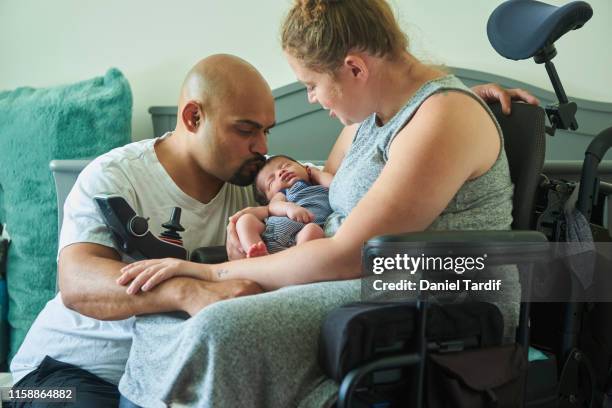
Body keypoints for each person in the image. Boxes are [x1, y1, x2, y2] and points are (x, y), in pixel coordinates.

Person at [115, 1, 540, 407]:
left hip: (435, 294)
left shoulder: (443, 116)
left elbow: (347, 255)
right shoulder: (370, 120)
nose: (312, 100)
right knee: (166, 318)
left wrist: (209, 271)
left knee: (217, 326)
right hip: (353, 274)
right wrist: (258, 215)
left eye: (312, 85)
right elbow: (316, 196)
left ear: (355, 67)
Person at [9, 54, 273, 407]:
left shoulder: (257, 187)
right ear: (193, 117)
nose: (262, 146)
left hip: (160, 380)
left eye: (266, 130)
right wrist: (186, 292)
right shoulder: (115, 176)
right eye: (246, 130)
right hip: (58, 373)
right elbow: (76, 281)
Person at [233, 155, 333, 258]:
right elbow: (273, 206)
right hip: (270, 233)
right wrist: (289, 208)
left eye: (286, 165)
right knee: (245, 220)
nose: (280, 172)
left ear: (305, 168)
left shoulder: (320, 186)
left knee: (313, 230)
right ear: (268, 198)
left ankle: (295, 262)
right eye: (271, 181)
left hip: (302, 236)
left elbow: (335, 185)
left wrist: (316, 173)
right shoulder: (283, 194)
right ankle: (257, 252)